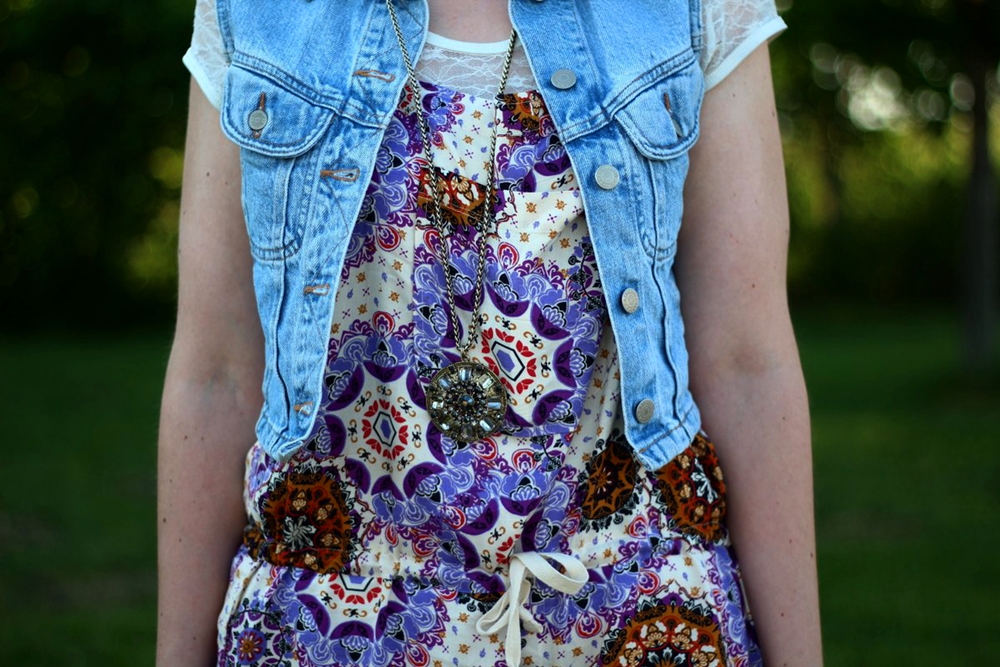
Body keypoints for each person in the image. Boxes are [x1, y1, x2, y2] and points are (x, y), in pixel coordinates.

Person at [157, 0, 823, 665]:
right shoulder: (255, 13)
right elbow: (216, 372)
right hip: (327, 629)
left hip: (640, 616)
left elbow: (746, 361)